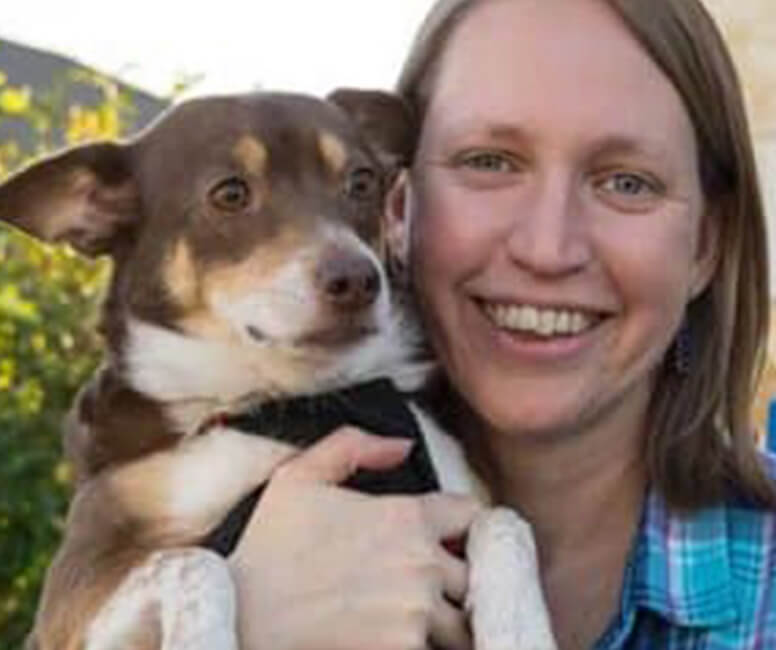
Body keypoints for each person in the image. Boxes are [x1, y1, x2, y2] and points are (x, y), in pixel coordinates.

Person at [229, 1, 776, 649]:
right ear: (397, 208)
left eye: (627, 182)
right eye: (489, 162)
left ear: (705, 247)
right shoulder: (208, 545)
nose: (548, 249)